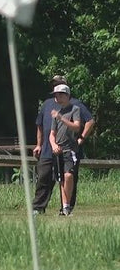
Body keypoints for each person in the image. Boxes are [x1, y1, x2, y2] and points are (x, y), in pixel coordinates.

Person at [32, 75, 95, 215]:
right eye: (55, 85)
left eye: (60, 84)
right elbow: (40, 125)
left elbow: (90, 121)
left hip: (69, 148)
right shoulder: (47, 104)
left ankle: (66, 208)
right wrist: (38, 144)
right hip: (49, 149)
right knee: (44, 178)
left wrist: (81, 138)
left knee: (68, 178)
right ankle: (38, 207)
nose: (57, 88)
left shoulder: (75, 105)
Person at [49, 84, 81, 216]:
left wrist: (61, 118)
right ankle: (65, 207)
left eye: (60, 94)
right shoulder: (57, 114)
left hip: (70, 149)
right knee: (61, 179)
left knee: (68, 175)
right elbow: (52, 134)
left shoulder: (75, 109)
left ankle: (67, 205)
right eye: (56, 95)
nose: (57, 97)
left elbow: (77, 127)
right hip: (58, 150)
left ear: (67, 95)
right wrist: (53, 145)